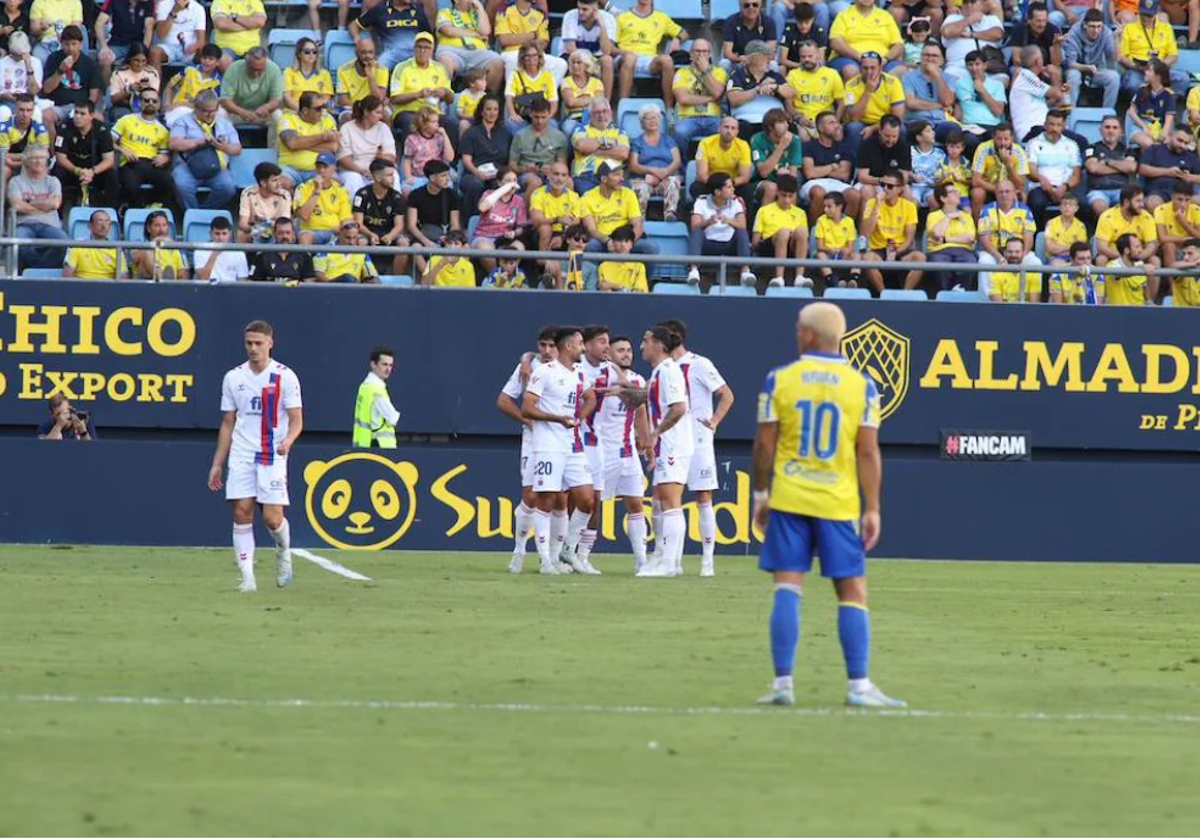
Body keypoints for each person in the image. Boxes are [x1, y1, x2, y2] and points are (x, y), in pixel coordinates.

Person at [751, 301, 902, 708]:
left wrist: (761, 494)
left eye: (799, 328)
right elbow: (867, 452)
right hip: (837, 502)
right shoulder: (862, 385)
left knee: (786, 587)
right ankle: (859, 686)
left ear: (810, 335)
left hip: (790, 497)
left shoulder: (780, 379)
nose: (796, 333)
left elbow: (765, 444)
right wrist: (872, 508)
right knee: (852, 590)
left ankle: (783, 684)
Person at [207, 319, 303, 593]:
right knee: (241, 511)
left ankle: (284, 552)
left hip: (272, 453)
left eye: (258, 343)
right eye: (249, 343)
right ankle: (247, 578)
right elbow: (228, 422)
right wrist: (217, 463)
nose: (253, 348)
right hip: (242, 452)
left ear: (270, 344)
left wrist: (289, 440)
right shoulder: (233, 378)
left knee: (272, 519)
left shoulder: (286, 376)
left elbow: (297, 420)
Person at [521, 325, 596, 576]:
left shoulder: (579, 373)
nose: (583, 348)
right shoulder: (545, 372)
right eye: (580, 343)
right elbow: (527, 407)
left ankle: (567, 550)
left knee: (587, 499)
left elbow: (591, 398)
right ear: (568, 346)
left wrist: (577, 419)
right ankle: (545, 560)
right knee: (548, 499)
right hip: (549, 445)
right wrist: (557, 418)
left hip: (573, 445)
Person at [663, 319, 734, 578]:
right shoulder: (664, 368)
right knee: (669, 498)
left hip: (698, 440)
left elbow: (727, 394)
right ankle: (671, 560)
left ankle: (707, 561)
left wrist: (714, 422)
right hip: (673, 439)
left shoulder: (699, 364)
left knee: (703, 498)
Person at [496, 326, 558, 572]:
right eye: (542, 345)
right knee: (531, 496)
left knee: (557, 498)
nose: (546, 350)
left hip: (562, 442)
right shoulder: (529, 367)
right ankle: (519, 549)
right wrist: (526, 420)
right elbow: (503, 400)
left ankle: (550, 557)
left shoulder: (571, 367)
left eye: (551, 345)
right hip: (535, 442)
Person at [633, 325, 693, 578]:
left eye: (646, 340)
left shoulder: (669, 371)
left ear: (658, 344)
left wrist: (656, 434)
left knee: (670, 502)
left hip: (673, 444)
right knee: (660, 499)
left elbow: (679, 408)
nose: (641, 346)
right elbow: (644, 395)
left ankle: (669, 564)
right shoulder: (660, 371)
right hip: (668, 444)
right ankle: (666, 559)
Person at [595, 334, 650, 572]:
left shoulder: (637, 380)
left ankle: (641, 561)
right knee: (590, 505)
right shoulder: (600, 377)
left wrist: (647, 442)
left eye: (629, 350)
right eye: (620, 350)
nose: (627, 354)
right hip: (602, 450)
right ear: (609, 354)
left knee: (636, 503)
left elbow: (640, 412)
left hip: (628, 452)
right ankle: (577, 553)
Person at [169, 89, 241, 211]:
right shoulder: (182, 121)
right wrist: (199, 142)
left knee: (228, 187)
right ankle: (192, 213)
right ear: (196, 108)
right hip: (188, 167)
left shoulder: (224, 124)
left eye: (213, 111)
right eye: (205, 111)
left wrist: (222, 146)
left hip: (217, 168)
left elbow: (237, 149)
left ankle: (207, 212)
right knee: (181, 184)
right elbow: (174, 144)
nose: (210, 115)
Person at [860, 167, 924, 292]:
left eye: (890, 186)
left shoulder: (909, 206)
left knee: (920, 257)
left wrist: (897, 251)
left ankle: (906, 293)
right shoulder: (872, 203)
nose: (885, 189)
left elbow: (910, 237)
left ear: (900, 189)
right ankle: (883, 294)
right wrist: (878, 205)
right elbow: (865, 232)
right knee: (867, 259)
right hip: (878, 249)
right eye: (882, 184)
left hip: (900, 249)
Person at [615, 0, 686, 108]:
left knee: (666, 60)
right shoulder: (622, 17)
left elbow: (684, 33)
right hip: (626, 56)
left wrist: (677, 39)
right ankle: (623, 107)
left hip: (648, 59)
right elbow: (611, 45)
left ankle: (669, 109)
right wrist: (625, 53)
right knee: (630, 59)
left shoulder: (661, 17)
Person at [689, 173, 756, 286]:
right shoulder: (701, 202)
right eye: (729, 187)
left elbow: (743, 225)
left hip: (729, 244)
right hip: (708, 244)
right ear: (717, 192)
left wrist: (729, 221)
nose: (733, 189)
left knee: (741, 232)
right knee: (697, 232)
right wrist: (708, 222)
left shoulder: (736, 203)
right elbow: (694, 225)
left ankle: (745, 271)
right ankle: (694, 271)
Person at [112, 85, 172, 206]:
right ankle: (136, 211)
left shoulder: (162, 130)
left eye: (154, 101)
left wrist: (166, 158)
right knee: (131, 187)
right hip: (130, 164)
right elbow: (107, 141)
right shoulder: (126, 120)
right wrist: (122, 149)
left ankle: (154, 208)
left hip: (152, 164)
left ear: (159, 104)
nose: (150, 103)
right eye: (146, 100)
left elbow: (165, 154)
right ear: (140, 102)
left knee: (168, 182)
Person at [8, 148, 67, 269]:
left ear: (47, 161)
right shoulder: (16, 181)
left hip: (49, 225)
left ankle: (35, 271)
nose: (38, 161)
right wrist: (43, 207)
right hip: (24, 225)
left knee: (63, 241)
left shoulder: (53, 181)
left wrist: (28, 202)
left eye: (42, 158)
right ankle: (39, 271)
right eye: (34, 158)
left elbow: (55, 204)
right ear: (26, 162)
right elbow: (17, 205)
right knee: (18, 241)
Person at [51, 100, 117, 207]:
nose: (77, 117)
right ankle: (58, 214)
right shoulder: (64, 127)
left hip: (94, 170)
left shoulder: (102, 129)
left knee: (112, 175)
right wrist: (78, 171)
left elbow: (109, 160)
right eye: (76, 113)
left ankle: (110, 211)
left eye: (82, 114)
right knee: (58, 172)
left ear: (91, 116)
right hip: (71, 170)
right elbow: (60, 158)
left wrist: (92, 172)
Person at [389, 32, 454, 137]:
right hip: (407, 112)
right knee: (411, 122)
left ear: (432, 51)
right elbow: (394, 99)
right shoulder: (401, 68)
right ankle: (410, 153)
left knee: (452, 123)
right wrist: (418, 95)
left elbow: (450, 100)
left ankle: (450, 154)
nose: (422, 51)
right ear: (414, 49)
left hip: (433, 114)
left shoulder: (440, 68)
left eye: (427, 47)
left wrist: (445, 92)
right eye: (419, 47)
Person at [581, 161, 655, 254]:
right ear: (604, 179)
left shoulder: (628, 193)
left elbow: (637, 225)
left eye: (622, 175)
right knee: (592, 246)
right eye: (617, 175)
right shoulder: (587, 197)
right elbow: (591, 229)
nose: (622, 179)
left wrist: (628, 242)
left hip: (626, 237)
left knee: (651, 248)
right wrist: (607, 241)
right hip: (603, 240)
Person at [799, 109, 858, 224]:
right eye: (831, 123)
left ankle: (843, 231)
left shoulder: (844, 147)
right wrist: (832, 167)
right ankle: (815, 232)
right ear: (820, 128)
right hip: (814, 183)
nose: (836, 126)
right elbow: (810, 173)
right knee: (818, 192)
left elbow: (844, 174)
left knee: (854, 195)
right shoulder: (809, 146)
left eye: (837, 122)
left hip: (838, 183)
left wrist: (820, 170)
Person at [354, 158, 411, 276]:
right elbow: (358, 222)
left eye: (393, 175)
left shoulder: (397, 197)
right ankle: (362, 278)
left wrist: (390, 236)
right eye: (389, 175)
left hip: (389, 232)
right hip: (366, 231)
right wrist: (370, 235)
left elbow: (399, 225)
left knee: (404, 243)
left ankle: (397, 280)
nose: (393, 178)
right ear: (377, 177)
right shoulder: (362, 194)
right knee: (361, 242)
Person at [1118, 0, 1188, 96]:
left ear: (1156, 12)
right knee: (1132, 83)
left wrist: (1159, 67)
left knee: (1182, 78)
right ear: (1138, 11)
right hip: (1138, 70)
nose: (1146, 18)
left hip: (1160, 70)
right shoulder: (1129, 28)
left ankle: (1166, 104)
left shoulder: (1166, 28)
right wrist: (1135, 66)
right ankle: (1140, 107)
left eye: (1149, 15)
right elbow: (1122, 57)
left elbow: (1173, 55)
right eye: (1143, 14)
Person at [752, 173, 810, 287]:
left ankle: (800, 277)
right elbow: (755, 242)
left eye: (790, 196)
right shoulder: (764, 210)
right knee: (783, 232)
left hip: (792, 246)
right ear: (777, 192)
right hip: (769, 246)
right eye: (784, 195)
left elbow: (804, 241)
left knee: (802, 231)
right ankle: (779, 277)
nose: (787, 200)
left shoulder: (800, 213)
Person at [434, 0, 504, 94]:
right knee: (445, 61)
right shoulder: (445, 12)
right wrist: (473, 34)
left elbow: (485, 31)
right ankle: (443, 98)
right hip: (452, 51)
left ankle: (487, 100)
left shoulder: (476, 14)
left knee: (498, 62)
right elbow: (448, 30)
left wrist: (480, 8)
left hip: (477, 52)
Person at [459, 93, 512, 215]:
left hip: (497, 174)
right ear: (482, 112)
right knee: (475, 184)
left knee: (500, 184)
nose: (492, 113)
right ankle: (471, 221)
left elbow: (509, 161)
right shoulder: (471, 132)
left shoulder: (506, 134)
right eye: (488, 109)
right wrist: (477, 173)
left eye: (495, 109)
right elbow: (466, 159)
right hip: (474, 173)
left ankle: (495, 222)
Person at [1025, 109, 1082, 223]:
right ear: (1045, 125)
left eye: (1058, 125)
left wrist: (1065, 187)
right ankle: (1037, 235)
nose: (1054, 129)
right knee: (1036, 203)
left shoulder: (1072, 145)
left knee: (1083, 204)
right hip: (1041, 187)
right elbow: (1031, 172)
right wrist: (1045, 183)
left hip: (1065, 188)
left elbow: (1076, 175)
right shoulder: (1033, 143)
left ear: (1063, 126)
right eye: (1051, 124)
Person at [842, 51, 906, 154]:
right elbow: (853, 118)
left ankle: (895, 164)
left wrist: (873, 128)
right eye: (865, 68)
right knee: (853, 128)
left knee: (900, 129)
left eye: (873, 68)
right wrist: (868, 91)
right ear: (860, 68)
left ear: (880, 68)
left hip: (886, 122)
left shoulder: (893, 82)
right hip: (862, 122)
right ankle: (856, 166)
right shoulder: (851, 84)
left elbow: (897, 116)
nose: (869, 72)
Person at [41, 26, 101, 131]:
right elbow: (47, 89)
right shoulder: (53, 59)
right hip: (58, 106)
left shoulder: (90, 64)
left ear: (81, 45)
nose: (70, 48)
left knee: (99, 118)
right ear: (61, 44)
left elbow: (93, 96)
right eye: (66, 44)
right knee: (45, 116)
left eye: (74, 44)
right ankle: (52, 148)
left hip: (80, 107)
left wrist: (82, 112)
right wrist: (60, 70)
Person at [784, 40, 845, 142]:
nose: (806, 59)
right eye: (803, 57)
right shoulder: (793, 75)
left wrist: (836, 122)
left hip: (825, 119)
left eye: (810, 56)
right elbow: (788, 103)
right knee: (803, 136)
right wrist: (798, 118)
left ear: (818, 55)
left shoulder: (832, 74)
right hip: (803, 120)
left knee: (837, 134)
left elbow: (842, 102)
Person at [628, 104, 682, 220]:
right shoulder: (637, 142)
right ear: (642, 123)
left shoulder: (668, 140)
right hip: (643, 179)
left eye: (655, 117)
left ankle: (670, 214)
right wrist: (653, 171)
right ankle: (638, 218)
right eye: (648, 118)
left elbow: (677, 161)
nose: (653, 121)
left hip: (665, 178)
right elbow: (633, 165)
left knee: (673, 181)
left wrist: (665, 173)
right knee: (641, 187)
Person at [726, 41, 790, 138]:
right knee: (744, 128)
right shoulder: (738, 75)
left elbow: (791, 92)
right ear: (753, 59)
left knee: (790, 127)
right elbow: (734, 99)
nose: (770, 59)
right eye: (765, 56)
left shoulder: (773, 75)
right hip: (747, 121)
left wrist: (776, 87)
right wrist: (757, 89)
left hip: (774, 120)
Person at [278, 90, 339, 190]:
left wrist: (301, 144)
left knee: (332, 181)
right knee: (281, 184)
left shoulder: (327, 119)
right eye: (318, 109)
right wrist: (322, 137)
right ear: (305, 110)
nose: (322, 111)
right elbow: (292, 143)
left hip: (318, 170)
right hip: (290, 169)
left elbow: (333, 147)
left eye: (323, 107)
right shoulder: (287, 119)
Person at [671, 39, 726, 151]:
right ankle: (682, 167)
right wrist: (711, 98)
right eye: (697, 51)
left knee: (726, 132)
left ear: (709, 54)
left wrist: (705, 71)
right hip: (688, 118)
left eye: (704, 51)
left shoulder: (719, 72)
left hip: (713, 118)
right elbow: (683, 98)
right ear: (690, 55)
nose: (701, 55)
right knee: (680, 132)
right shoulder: (682, 73)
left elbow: (717, 92)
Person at [922, 182, 978, 290]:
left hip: (964, 251)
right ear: (943, 198)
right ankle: (944, 297)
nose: (958, 193)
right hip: (939, 251)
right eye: (953, 192)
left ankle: (962, 294)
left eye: (957, 191)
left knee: (970, 263)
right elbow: (937, 234)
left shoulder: (966, 216)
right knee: (940, 265)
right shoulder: (933, 216)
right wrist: (948, 217)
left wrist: (945, 239)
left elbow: (970, 238)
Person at [219, 48, 284, 142]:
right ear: (246, 62)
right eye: (252, 69)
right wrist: (241, 112)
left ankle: (274, 152)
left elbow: (276, 100)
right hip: (236, 111)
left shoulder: (274, 69)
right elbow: (225, 100)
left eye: (260, 70)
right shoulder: (234, 68)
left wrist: (266, 107)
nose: (256, 73)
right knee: (220, 113)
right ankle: (226, 149)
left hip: (263, 113)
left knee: (278, 116)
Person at [495, 0, 567, 83]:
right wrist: (532, 35)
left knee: (561, 64)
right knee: (515, 62)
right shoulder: (504, 10)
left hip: (536, 53)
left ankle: (543, 94)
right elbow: (505, 40)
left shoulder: (540, 13)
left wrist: (521, 42)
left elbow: (543, 42)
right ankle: (513, 95)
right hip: (512, 53)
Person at [828, 0, 903, 79]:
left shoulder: (885, 16)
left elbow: (898, 44)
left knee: (900, 71)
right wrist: (860, 57)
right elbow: (835, 42)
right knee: (851, 71)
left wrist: (885, 59)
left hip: (883, 60)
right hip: (850, 59)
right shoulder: (843, 15)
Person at [341, 95, 400, 196]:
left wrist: (377, 167)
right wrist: (362, 171)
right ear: (366, 112)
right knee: (354, 180)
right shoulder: (347, 128)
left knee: (393, 175)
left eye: (381, 113)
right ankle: (356, 210)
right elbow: (343, 158)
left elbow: (390, 154)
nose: (381, 116)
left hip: (377, 169)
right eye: (377, 112)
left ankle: (395, 208)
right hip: (353, 170)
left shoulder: (383, 128)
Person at [508, 95, 568, 193]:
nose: (540, 121)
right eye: (536, 117)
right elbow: (512, 165)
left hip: (551, 174)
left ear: (549, 115)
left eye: (543, 117)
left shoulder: (559, 136)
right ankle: (525, 208)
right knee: (535, 182)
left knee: (568, 182)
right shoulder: (520, 135)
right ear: (531, 114)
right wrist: (525, 168)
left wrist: (551, 169)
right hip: (527, 175)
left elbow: (562, 164)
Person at [351, 0, 432, 71]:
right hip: (390, 54)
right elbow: (353, 25)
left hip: (414, 53)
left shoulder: (417, 10)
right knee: (377, 69)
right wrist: (357, 39)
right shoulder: (379, 10)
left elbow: (428, 35)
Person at [569, 94, 627, 195]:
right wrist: (605, 142)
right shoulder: (581, 129)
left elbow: (623, 153)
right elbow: (581, 146)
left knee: (627, 192)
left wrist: (595, 150)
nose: (601, 116)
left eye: (604, 111)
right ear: (590, 115)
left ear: (610, 113)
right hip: (586, 176)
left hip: (613, 176)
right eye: (597, 112)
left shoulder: (619, 132)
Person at [1063, 9, 1118, 110]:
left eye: (1099, 26)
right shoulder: (1074, 32)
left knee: (1114, 77)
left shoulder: (1106, 32)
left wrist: (1116, 39)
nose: (1096, 30)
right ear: (1085, 25)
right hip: (1077, 68)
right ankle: (1070, 115)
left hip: (1096, 69)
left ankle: (1107, 115)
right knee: (1073, 76)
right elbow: (1070, 63)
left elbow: (1113, 58)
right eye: (1092, 26)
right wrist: (1087, 68)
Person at [970, 123, 1028, 217]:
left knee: (1022, 195)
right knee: (977, 193)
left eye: (1006, 139)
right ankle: (978, 228)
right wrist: (998, 190)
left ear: (1012, 138)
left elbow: (1021, 185)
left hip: (1010, 189)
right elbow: (976, 180)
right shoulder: (983, 148)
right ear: (993, 137)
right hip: (988, 187)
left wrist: (1009, 166)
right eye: (999, 139)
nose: (1002, 143)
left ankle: (1016, 227)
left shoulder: (1019, 152)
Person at [294, 152, 353, 246]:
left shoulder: (341, 190)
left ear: (334, 168)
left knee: (352, 237)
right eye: (319, 167)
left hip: (335, 233)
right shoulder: (303, 187)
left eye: (325, 167)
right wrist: (317, 190)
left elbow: (346, 219)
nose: (321, 171)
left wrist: (341, 230)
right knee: (305, 237)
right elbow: (304, 215)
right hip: (311, 232)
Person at [693, 114, 753, 204]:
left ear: (737, 132)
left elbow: (745, 177)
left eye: (733, 128)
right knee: (696, 187)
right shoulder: (705, 143)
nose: (729, 131)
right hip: (711, 183)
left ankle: (745, 217)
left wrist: (728, 186)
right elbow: (701, 175)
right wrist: (719, 186)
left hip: (733, 184)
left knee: (747, 190)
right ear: (719, 128)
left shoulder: (743, 146)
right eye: (726, 127)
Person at [405, 159, 462, 254]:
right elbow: (411, 225)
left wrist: (450, 240)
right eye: (443, 176)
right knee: (416, 248)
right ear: (432, 178)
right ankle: (428, 270)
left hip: (445, 234)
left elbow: (455, 223)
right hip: (423, 235)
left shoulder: (451, 194)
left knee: (466, 247)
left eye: (447, 175)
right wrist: (426, 242)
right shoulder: (415, 195)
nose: (447, 179)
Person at [561, 0, 616, 95]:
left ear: (595, 10)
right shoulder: (570, 16)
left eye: (585, 9)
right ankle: (574, 100)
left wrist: (602, 25)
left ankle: (606, 103)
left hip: (596, 58)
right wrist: (589, 65)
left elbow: (607, 51)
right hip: (572, 56)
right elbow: (571, 49)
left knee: (608, 60)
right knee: (576, 62)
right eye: (579, 8)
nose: (580, 12)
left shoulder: (608, 18)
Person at [1094, 185, 1159, 267]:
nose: (1142, 205)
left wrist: (1139, 256)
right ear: (1126, 202)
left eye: (1142, 201)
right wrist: (1124, 257)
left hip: (1138, 256)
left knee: (1155, 260)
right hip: (1114, 256)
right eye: (1138, 201)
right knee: (1101, 259)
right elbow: (1102, 247)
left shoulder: (1146, 217)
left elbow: (1152, 245)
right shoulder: (1107, 217)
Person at [1138, 129, 1200, 210]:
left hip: (1185, 193)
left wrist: (1189, 177)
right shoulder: (1155, 149)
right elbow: (1142, 169)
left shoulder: (1190, 156)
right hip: (1160, 191)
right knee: (1153, 202)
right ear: (1170, 136)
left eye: (1186, 143)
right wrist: (1168, 172)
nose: (1182, 145)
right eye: (1180, 140)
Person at [854, 113, 910, 203]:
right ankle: (866, 217)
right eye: (887, 136)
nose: (890, 140)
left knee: (906, 189)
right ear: (880, 130)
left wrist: (891, 184)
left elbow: (905, 176)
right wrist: (882, 181)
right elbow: (863, 177)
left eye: (894, 136)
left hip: (893, 183)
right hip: (871, 182)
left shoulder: (904, 146)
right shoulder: (867, 145)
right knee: (867, 190)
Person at [353, 346, 402, 449]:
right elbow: (393, 418)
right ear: (373, 365)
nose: (388, 369)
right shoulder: (377, 390)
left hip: (363, 444)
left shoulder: (364, 387)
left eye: (390, 365)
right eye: (384, 364)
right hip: (380, 446)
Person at [162, 43, 222, 125]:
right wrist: (167, 104)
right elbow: (170, 85)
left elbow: (211, 106)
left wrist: (183, 104)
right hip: (177, 110)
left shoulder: (218, 81)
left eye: (211, 59)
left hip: (199, 115)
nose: (206, 61)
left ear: (217, 62)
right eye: (204, 58)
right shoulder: (189, 70)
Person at [504, 46, 559, 137]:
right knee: (512, 124)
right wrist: (513, 114)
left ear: (539, 57)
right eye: (527, 56)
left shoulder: (547, 75)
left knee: (553, 125)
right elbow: (509, 97)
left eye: (534, 56)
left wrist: (546, 117)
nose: (531, 59)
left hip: (542, 115)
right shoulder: (515, 74)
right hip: (523, 116)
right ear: (522, 58)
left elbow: (553, 101)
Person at [0, 33, 52, 128]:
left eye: (20, 55)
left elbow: (34, 91)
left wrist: (28, 66)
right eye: (15, 54)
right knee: (4, 113)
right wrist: (3, 95)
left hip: (28, 100)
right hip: (6, 101)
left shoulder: (35, 62)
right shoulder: (2, 63)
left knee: (36, 113)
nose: (17, 57)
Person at [63, 209, 126, 279]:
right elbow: (67, 274)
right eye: (100, 221)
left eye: (107, 222)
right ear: (90, 226)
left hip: (108, 288)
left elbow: (123, 278)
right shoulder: (77, 245)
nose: (104, 226)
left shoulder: (117, 249)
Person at [954, 49, 1006, 135]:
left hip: (992, 126)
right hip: (970, 126)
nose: (974, 68)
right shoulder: (959, 84)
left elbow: (998, 111)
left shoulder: (997, 85)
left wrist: (982, 91)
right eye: (970, 64)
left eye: (977, 64)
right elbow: (957, 108)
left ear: (985, 65)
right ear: (966, 67)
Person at [1127, 59, 1176, 149]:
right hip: (1140, 128)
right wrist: (1144, 126)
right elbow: (1131, 112)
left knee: (1168, 145)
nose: (1145, 72)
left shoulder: (1168, 95)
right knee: (1149, 144)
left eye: (1149, 70)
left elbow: (1169, 118)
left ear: (1158, 76)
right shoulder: (1142, 90)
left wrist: (1164, 133)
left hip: (1159, 128)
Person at [106, 41, 159, 123]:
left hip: (145, 105)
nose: (140, 64)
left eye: (143, 61)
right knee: (124, 117)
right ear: (130, 59)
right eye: (136, 60)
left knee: (153, 115)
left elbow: (155, 97)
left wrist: (147, 90)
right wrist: (128, 90)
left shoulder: (152, 73)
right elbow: (113, 99)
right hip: (122, 107)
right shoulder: (119, 73)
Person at [1009, 2, 1062, 83]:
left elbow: (1056, 63)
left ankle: (1056, 95)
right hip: (1024, 66)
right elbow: (1017, 60)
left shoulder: (1053, 30)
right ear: (1029, 20)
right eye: (1038, 21)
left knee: (1055, 71)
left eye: (1044, 21)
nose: (1041, 24)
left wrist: (1056, 44)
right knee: (1017, 71)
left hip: (1045, 66)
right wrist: (1037, 70)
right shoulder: (1019, 30)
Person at [239, 161, 291, 243]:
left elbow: (285, 223)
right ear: (263, 183)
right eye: (274, 180)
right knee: (241, 235)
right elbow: (243, 224)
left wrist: (269, 230)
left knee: (285, 234)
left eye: (279, 179)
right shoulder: (248, 193)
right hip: (255, 231)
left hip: (276, 232)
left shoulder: (285, 195)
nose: (279, 184)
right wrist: (257, 230)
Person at [250, 217, 316, 282]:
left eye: (288, 233)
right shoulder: (262, 256)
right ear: (274, 234)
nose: (284, 236)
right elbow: (254, 285)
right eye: (280, 233)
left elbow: (309, 286)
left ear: (293, 234)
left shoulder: (304, 256)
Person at [0, 94, 49, 181]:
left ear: (33, 111)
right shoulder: (4, 127)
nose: (25, 114)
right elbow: (3, 155)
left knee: (42, 169)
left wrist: (23, 159)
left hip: (30, 163)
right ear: (15, 109)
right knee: (4, 171)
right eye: (21, 110)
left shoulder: (40, 129)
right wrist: (25, 158)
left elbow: (43, 154)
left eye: (29, 110)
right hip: (6, 163)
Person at [314, 219, 380, 283]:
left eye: (354, 238)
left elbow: (373, 275)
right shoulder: (325, 250)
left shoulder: (362, 252)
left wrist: (374, 281)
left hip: (355, 290)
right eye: (348, 238)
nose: (351, 242)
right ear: (339, 234)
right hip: (331, 289)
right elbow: (319, 275)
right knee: (347, 278)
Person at [150, 0, 207, 73]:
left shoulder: (198, 8)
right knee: (154, 52)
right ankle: (155, 83)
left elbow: (201, 41)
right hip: (168, 48)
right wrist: (174, 11)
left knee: (205, 52)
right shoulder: (164, 5)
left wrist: (194, 46)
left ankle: (202, 82)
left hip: (190, 50)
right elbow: (161, 35)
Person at [131, 209, 190, 279]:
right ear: (149, 228)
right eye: (157, 225)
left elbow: (182, 275)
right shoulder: (141, 246)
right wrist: (156, 241)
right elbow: (133, 258)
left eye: (164, 225)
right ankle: (160, 277)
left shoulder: (173, 249)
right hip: (145, 284)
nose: (161, 229)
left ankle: (163, 279)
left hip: (171, 287)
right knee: (147, 251)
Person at [560, 50, 605, 138]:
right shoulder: (566, 81)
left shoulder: (597, 82)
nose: (575, 65)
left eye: (579, 63)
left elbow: (600, 103)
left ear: (586, 65)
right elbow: (570, 102)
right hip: (573, 117)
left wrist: (578, 100)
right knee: (568, 129)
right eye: (573, 62)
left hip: (593, 117)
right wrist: (591, 99)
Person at [209, 0, 266, 70]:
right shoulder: (220, 1)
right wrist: (249, 25)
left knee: (260, 61)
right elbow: (221, 24)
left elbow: (260, 22)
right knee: (223, 60)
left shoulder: (255, 2)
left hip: (252, 48)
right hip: (226, 47)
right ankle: (231, 81)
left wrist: (235, 17)